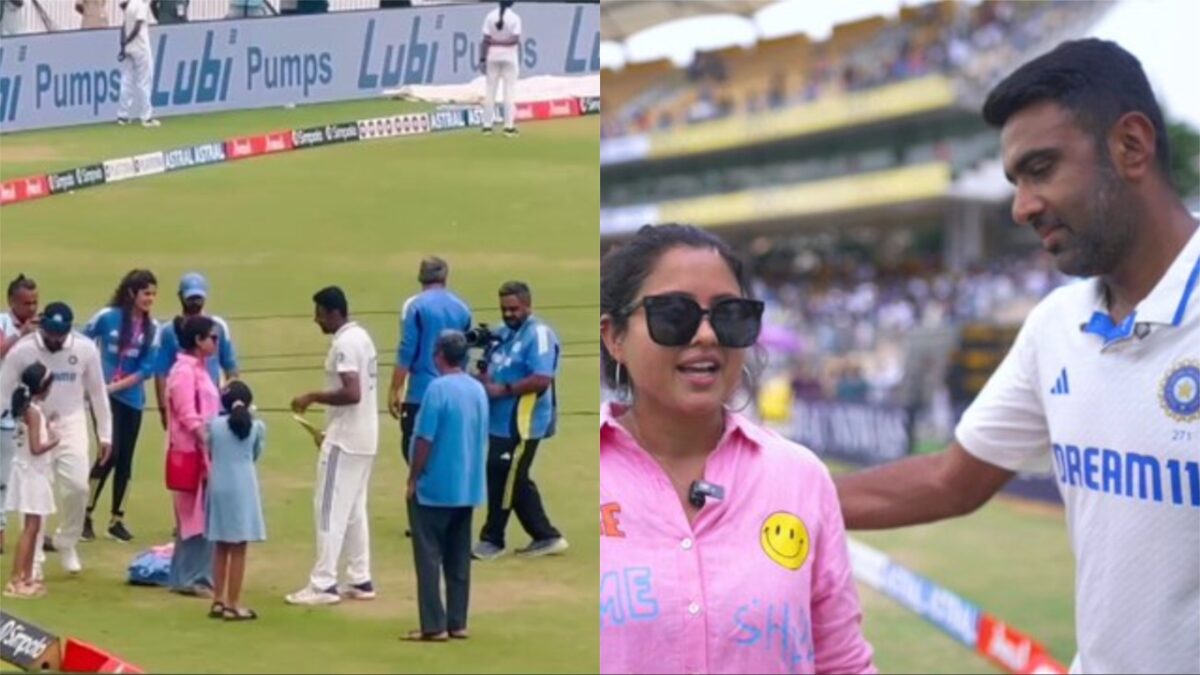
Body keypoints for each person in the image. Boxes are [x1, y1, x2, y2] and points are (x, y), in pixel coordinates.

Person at [833, 39, 1199, 674]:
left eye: (1041, 168)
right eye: (1015, 180)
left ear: (1131, 146)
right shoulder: (1057, 325)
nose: (1022, 206)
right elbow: (950, 480)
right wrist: (771, 498)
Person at [599, 224, 875, 674]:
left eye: (730, 315)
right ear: (614, 337)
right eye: (674, 313)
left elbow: (842, 663)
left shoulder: (799, 476)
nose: (707, 335)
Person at [0, 302, 112, 578]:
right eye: (50, 333)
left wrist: (105, 434)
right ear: (43, 325)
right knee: (37, 497)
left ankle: (67, 540)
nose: (54, 340)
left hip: (70, 423)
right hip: (32, 423)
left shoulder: (84, 349)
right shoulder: (23, 350)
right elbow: (3, 389)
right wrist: (12, 422)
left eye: (60, 335)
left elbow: (98, 393)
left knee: (77, 488)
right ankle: (34, 562)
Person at [286, 286, 379, 606]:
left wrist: (311, 397)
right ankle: (360, 578)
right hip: (365, 438)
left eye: (319, 313)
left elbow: (352, 393)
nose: (316, 320)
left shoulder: (345, 344)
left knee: (327, 510)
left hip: (347, 440)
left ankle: (323, 584)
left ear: (333, 312)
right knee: (354, 510)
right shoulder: (363, 337)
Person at [472, 281, 567, 560]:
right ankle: (546, 536)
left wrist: (504, 390)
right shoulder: (502, 334)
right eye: (504, 309)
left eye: (514, 309)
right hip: (498, 421)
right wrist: (482, 380)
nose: (509, 314)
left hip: (522, 422)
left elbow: (541, 378)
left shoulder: (538, 335)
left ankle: (493, 539)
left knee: (505, 478)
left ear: (528, 305)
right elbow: (493, 371)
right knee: (513, 477)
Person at [404, 331, 488, 642]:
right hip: (466, 487)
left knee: (428, 559)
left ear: (439, 354)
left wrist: (413, 477)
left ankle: (433, 625)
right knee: (458, 559)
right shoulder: (476, 389)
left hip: (435, 487)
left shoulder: (437, 389)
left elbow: (425, 438)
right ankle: (457, 622)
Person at [84, 269, 158, 543]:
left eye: (153, 294)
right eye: (145, 293)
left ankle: (117, 519)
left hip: (131, 399)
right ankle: (85, 514)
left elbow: (147, 369)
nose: (150, 299)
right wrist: (90, 378)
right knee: (108, 453)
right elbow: (82, 340)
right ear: (131, 293)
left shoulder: (152, 329)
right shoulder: (108, 317)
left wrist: (113, 386)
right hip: (104, 399)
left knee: (126, 458)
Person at [387, 257, 472, 463]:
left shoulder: (415, 306)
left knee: (417, 455)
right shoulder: (462, 308)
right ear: (445, 277)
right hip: (455, 395)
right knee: (447, 457)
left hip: (421, 394)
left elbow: (407, 351)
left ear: (420, 277)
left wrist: (394, 389)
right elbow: (465, 354)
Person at [164, 316, 221, 598]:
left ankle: (191, 574)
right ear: (199, 341)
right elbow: (187, 413)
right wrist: (207, 440)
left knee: (200, 513)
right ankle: (191, 576)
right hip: (192, 452)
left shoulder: (198, 369)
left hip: (201, 451)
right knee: (194, 515)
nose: (216, 342)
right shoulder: (184, 372)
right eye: (213, 337)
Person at [206, 380, 266, 621]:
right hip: (243, 487)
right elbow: (255, 454)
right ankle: (233, 604)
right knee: (239, 547)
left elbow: (210, 450)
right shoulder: (256, 427)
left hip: (219, 485)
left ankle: (218, 600)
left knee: (221, 544)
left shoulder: (215, 426)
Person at [154, 272, 239, 431]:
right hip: (182, 402)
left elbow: (231, 368)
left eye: (198, 298)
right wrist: (163, 410)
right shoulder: (168, 331)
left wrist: (231, 402)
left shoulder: (218, 327)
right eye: (191, 298)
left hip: (214, 404)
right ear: (180, 297)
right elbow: (161, 374)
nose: (195, 303)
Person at [3, 363, 59, 599]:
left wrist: (48, 424)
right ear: (42, 387)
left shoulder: (30, 409)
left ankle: (26, 577)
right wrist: (56, 439)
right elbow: (36, 448)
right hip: (32, 474)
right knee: (30, 528)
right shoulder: (33, 412)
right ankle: (16, 579)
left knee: (34, 527)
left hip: (27, 471)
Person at [0, 274, 39, 555]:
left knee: (13, 476)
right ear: (12, 302)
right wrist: (19, 336)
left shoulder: (38, 330)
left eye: (36, 302)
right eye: (27, 303)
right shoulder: (3, 324)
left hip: (21, 412)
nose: (33, 309)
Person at [479, 0, 522, 137]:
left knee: (490, 91)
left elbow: (485, 40)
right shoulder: (515, 18)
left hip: (492, 56)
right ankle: (508, 127)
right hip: (509, 57)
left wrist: (482, 59)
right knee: (509, 92)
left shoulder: (490, 16)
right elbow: (515, 40)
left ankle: (487, 126)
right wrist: (502, 43)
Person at [116, 0, 161, 127]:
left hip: (129, 48)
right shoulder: (141, 5)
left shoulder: (129, 5)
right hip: (141, 48)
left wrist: (123, 44)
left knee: (127, 81)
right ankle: (146, 117)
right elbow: (137, 26)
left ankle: (122, 115)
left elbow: (123, 26)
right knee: (145, 81)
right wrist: (128, 40)